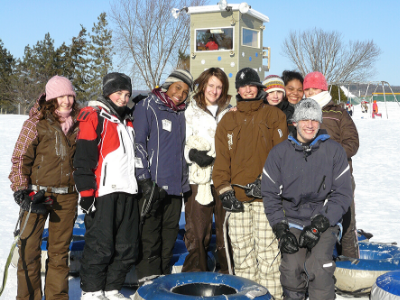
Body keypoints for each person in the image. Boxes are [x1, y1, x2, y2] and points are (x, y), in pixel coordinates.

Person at [262, 98, 352, 300]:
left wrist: (320, 224)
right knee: (291, 268)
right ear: (295, 122)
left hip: (323, 219)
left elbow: (342, 193)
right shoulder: (279, 153)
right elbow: (270, 194)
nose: (310, 125)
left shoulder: (334, 151)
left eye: (314, 120)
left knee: (319, 266)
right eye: (304, 120)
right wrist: (281, 229)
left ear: (320, 122)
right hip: (292, 220)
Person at [212, 67, 288, 299]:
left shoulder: (274, 116)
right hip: (238, 200)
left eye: (251, 85)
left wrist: (266, 183)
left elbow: (282, 156)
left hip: (267, 198)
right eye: (243, 86)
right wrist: (225, 191)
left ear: (259, 88)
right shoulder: (228, 119)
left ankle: (271, 297)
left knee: (268, 255)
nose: (247, 89)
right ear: (238, 90)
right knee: (243, 255)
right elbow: (222, 159)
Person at [9, 75, 80, 300]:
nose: (67, 100)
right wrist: (22, 191)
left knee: (59, 255)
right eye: (61, 96)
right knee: (28, 253)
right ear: (51, 98)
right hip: (37, 195)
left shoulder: (78, 124)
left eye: (70, 95)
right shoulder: (35, 123)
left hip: (67, 197)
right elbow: (20, 158)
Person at [74, 72, 139, 300]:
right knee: (100, 246)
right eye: (119, 93)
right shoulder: (94, 116)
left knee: (126, 246)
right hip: (103, 193)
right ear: (108, 92)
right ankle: (92, 291)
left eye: (127, 94)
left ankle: (112, 288)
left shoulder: (127, 119)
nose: (123, 98)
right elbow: (83, 159)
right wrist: (86, 192)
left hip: (128, 191)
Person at [133, 69, 193, 283]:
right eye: (178, 87)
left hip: (175, 189)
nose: (181, 94)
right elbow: (138, 144)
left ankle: (163, 285)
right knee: (150, 241)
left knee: (168, 242)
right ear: (168, 85)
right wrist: (144, 180)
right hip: (153, 188)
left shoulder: (182, 113)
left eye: (186, 91)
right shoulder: (147, 106)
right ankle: (147, 288)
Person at [303, 71, 360, 259]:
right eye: (307, 89)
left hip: (340, 178)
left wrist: (331, 156)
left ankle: (351, 266)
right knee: (316, 225)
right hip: (312, 181)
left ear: (323, 89)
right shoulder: (302, 113)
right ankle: (319, 269)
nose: (310, 93)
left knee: (347, 223)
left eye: (315, 89)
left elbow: (352, 142)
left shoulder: (339, 113)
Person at [182, 68, 232, 274]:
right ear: (203, 85)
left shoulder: (230, 111)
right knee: (198, 230)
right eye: (211, 85)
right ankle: (196, 276)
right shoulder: (190, 112)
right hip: (199, 178)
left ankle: (227, 275)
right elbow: (183, 141)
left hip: (223, 178)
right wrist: (192, 154)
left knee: (225, 230)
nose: (214, 90)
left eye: (219, 87)